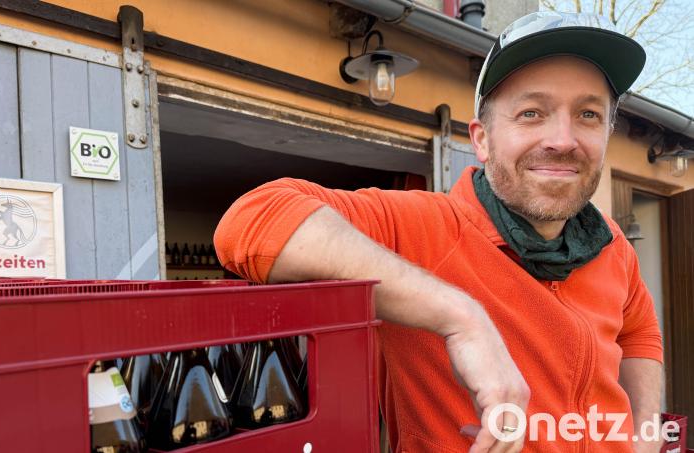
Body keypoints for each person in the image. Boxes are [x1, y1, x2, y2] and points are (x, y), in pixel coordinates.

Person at [214, 11, 663, 453]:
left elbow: (639, 334)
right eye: (531, 112)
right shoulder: (421, 226)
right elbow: (255, 220)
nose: (563, 140)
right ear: (481, 140)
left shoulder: (610, 244)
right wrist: (462, 319)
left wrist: (645, 428)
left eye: (588, 114)